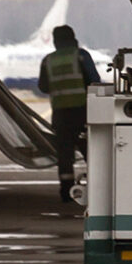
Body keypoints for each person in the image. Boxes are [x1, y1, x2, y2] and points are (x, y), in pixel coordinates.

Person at [37, 23, 100, 202]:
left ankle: (66, 192)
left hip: (60, 115)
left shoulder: (48, 60)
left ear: (56, 41)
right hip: (82, 113)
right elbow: (94, 81)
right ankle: (97, 189)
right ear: (73, 38)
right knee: (91, 153)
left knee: (64, 155)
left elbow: (43, 87)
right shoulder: (80, 56)